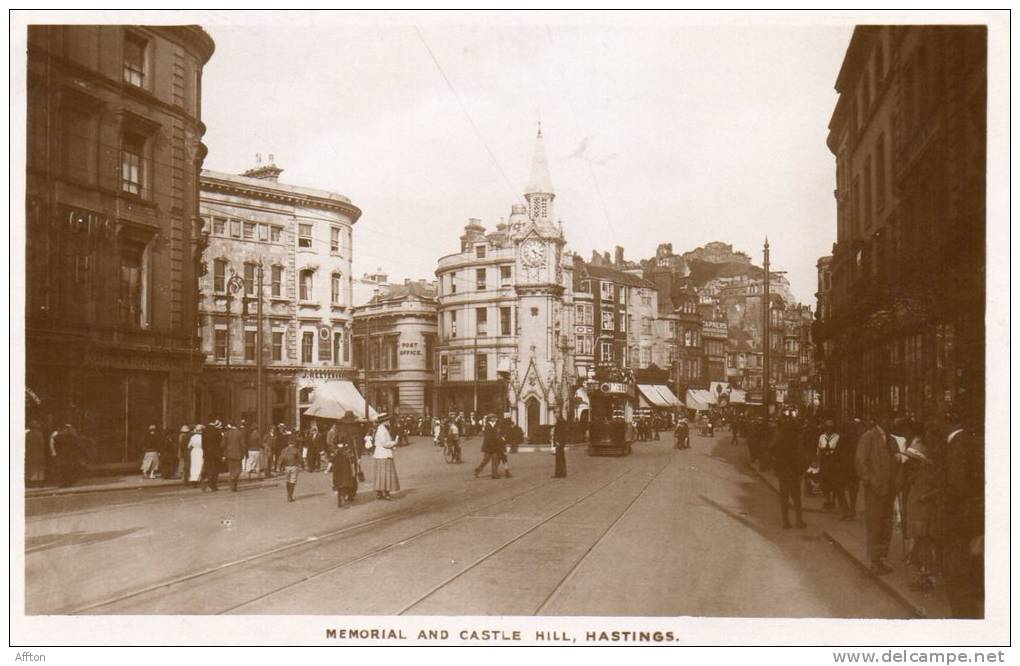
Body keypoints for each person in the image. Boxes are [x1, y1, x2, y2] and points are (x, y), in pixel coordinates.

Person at [940, 413, 984, 618]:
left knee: (958, 575)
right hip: (975, 516)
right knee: (972, 570)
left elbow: (957, 487)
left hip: (959, 520)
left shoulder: (956, 445)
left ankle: (965, 624)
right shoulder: (971, 440)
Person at [854, 409, 899, 575]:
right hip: (875, 489)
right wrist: (871, 481)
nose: (888, 421)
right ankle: (874, 560)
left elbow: (896, 461)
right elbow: (860, 462)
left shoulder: (892, 440)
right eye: (885, 417)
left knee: (886, 523)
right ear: (878, 418)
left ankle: (882, 558)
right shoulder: (868, 437)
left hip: (889, 489)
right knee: (874, 524)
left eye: (890, 418)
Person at [902, 434, 938, 592]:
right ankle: (922, 577)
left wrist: (926, 496)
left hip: (922, 517)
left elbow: (934, 492)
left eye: (912, 460)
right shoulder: (915, 474)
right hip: (915, 515)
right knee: (918, 549)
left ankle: (926, 578)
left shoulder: (926, 474)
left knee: (923, 549)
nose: (909, 462)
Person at [773, 415, 807, 529]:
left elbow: (774, 454)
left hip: (783, 474)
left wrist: (777, 471)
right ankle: (799, 520)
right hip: (794, 474)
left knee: (784, 498)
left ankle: (786, 522)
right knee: (796, 498)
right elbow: (799, 458)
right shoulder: (796, 442)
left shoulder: (780, 441)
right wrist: (801, 471)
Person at [372, 413, 399, 499]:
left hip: (379, 454)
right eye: (387, 420)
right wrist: (394, 442)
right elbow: (385, 443)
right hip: (384, 454)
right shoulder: (382, 430)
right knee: (386, 474)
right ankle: (386, 492)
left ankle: (379, 492)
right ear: (384, 421)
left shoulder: (381, 429)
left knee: (380, 474)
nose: (389, 421)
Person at [817, 420, 842, 513]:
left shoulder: (837, 437)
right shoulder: (822, 437)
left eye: (830, 428)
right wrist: (818, 460)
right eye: (827, 427)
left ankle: (833, 500)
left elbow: (839, 450)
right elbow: (819, 449)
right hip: (824, 461)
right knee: (824, 482)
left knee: (834, 481)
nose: (828, 429)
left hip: (833, 462)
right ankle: (827, 500)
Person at [52, 424, 82, 488]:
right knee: (69, 468)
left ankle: (65, 482)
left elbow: (55, 444)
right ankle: (69, 482)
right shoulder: (72, 436)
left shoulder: (59, 436)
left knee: (64, 469)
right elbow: (77, 445)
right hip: (69, 455)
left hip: (64, 455)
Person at [331, 439, 359, 508]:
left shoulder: (334, 450)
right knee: (344, 486)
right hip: (345, 472)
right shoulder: (347, 450)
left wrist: (327, 469)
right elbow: (352, 461)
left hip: (337, 473)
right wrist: (354, 471)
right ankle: (343, 502)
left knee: (339, 486)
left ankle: (339, 502)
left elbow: (330, 461)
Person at [277, 434, 302, 502]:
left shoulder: (284, 450)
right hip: (294, 466)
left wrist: (278, 466)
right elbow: (300, 459)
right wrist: (302, 465)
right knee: (293, 481)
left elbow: (280, 458)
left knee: (287, 481)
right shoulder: (296, 450)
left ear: (288, 443)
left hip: (286, 467)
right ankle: (290, 496)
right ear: (294, 443)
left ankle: (288, 495)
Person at [223, 423, 246, 492]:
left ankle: (232, 487)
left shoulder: (226, 433)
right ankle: (234, 479)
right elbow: (243, 444)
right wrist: (244, 452)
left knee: (231, 470)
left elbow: (222, 444)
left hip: (229, 454)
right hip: (238, 454)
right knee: (239, 470)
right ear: (236, 426)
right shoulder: (240, 433)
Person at [201, 420, 222, 492]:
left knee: (207, 467)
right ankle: (212, 485)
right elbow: (220, 443)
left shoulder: (204, 431)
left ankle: (205, 481)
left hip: (207, 453)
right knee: (214, 469)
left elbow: (203, 444)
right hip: (215, 453)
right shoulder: (217, 431)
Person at [26, 420, 47, 486]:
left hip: (30, 453)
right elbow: (42, 444)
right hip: (39, 453)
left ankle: (32, 482)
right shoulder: (39, 434)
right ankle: (39, 481)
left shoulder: (28, 434)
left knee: (31, 468)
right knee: (39, 468)